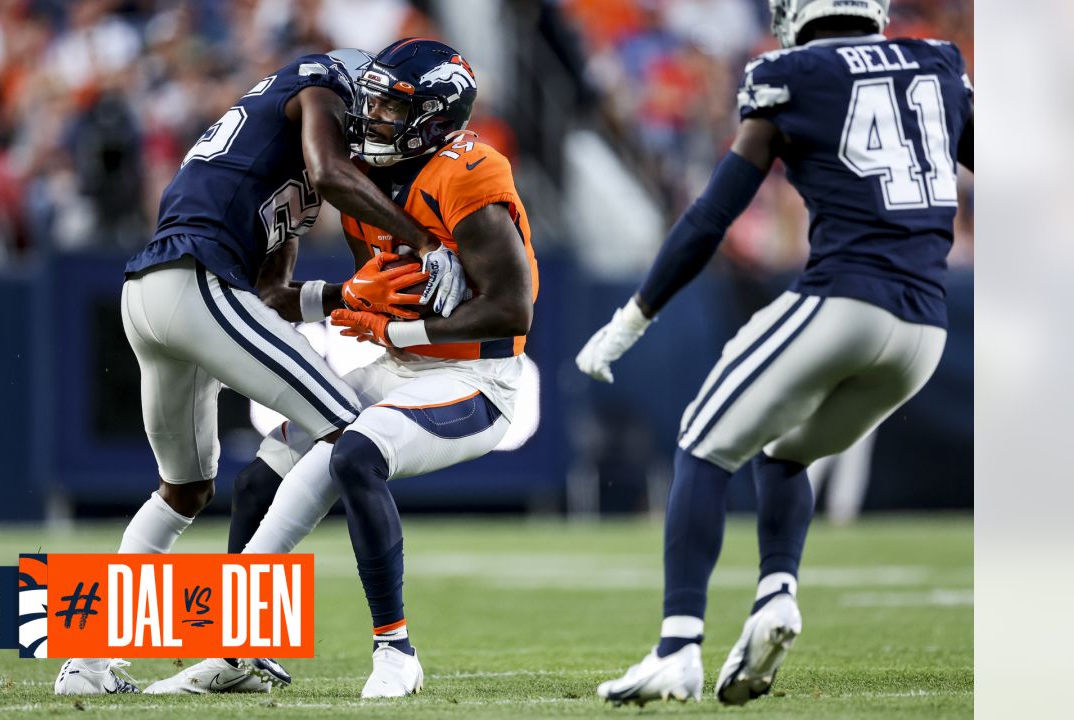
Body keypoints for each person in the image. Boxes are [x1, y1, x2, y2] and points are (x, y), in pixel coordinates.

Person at [575, 0, 972, 706]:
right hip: (926, 330)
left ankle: (677, 650)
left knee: (701, 441)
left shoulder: (788, 72)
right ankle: (777, 593)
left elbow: (711, 215)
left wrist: (633, 317)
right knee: (785, 450)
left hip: (843, 300)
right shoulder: (938, 63)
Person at [54, 47, 468, 696]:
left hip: (153, 294)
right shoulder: (318, 85)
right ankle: (377, 646)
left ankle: (87, 664)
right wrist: (423, 242)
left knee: (185, 490)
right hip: (194, 280)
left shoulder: (285, 164)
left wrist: (349, 299)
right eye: (376, 100)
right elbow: (331, 172)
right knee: (352, 434)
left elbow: (274, 294)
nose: (379, 116)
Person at [143, 38, 539, 699]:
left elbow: (511, 310)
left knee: (354, 453)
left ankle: (395, 650)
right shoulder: (366, 175)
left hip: (476, 380)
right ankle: (246, 656)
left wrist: (393, 325)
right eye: (373, 101)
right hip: (401, 363)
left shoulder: (468, 170)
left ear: (436, 118)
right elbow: (360, 292)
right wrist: (349, 304)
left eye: (391, 108)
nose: (371, 117)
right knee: (262, 476)